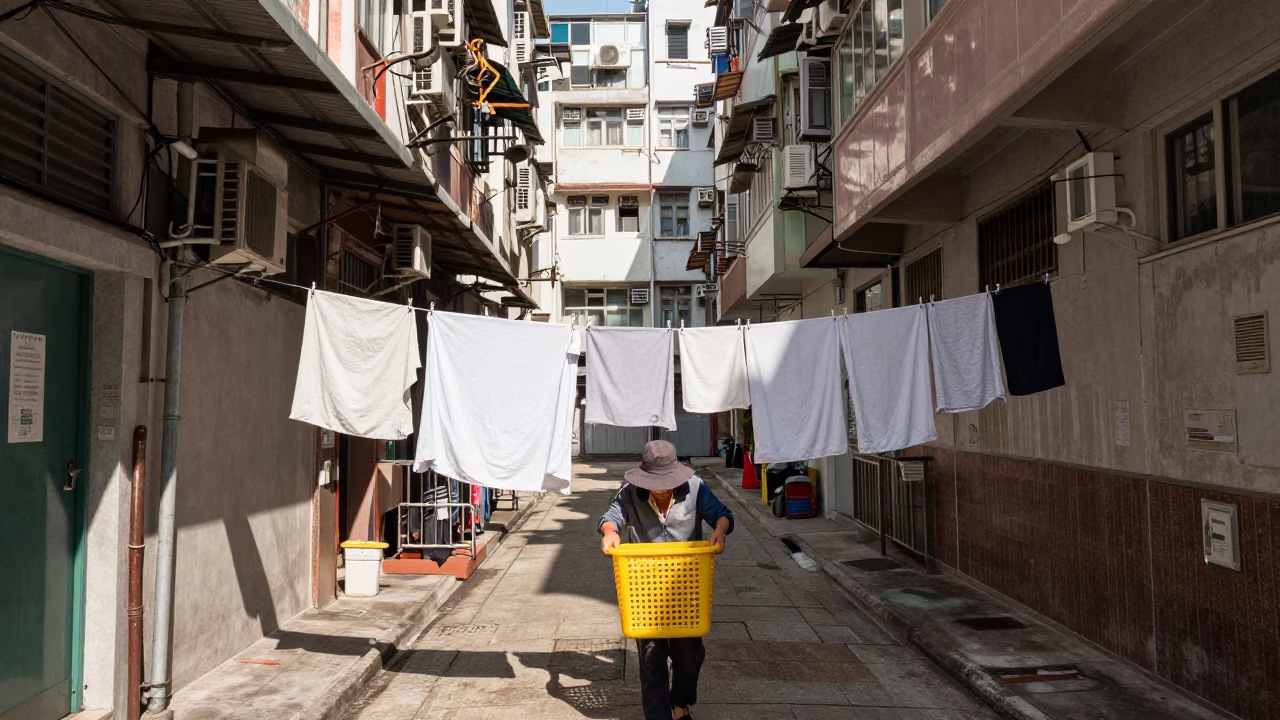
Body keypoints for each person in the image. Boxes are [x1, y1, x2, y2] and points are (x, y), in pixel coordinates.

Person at [599, 440, 734, 720]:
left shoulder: (695, 487)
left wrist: (720, 530)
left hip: (688, 587)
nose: (661, 487)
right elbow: (610, 517)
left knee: (689, 657)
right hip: (644, 590)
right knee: (651, 660)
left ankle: (680, 703)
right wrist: (610, 532)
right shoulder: (629, 492)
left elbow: (722, 515)